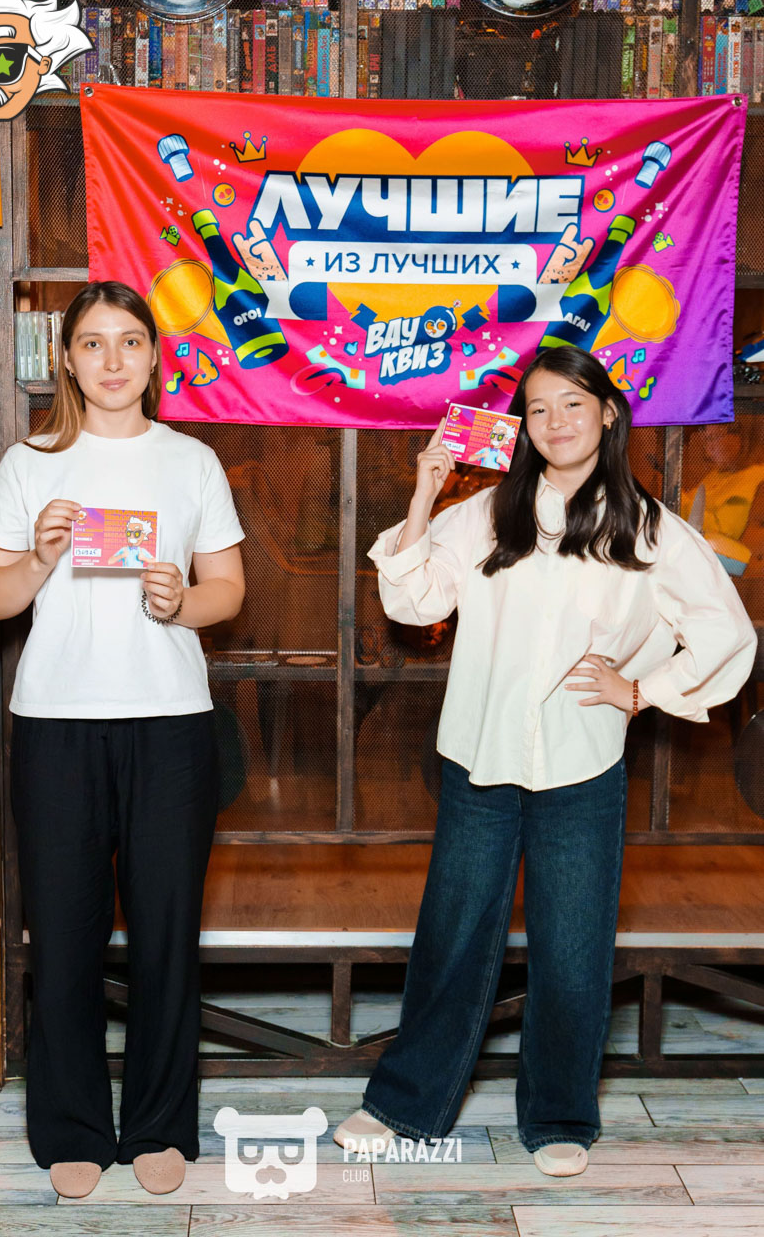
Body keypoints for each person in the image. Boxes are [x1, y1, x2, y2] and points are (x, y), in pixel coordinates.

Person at [334, 344, 756, 1177]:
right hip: (477, 760)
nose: (555, 421)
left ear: (607, 412)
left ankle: (559, 1115)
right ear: (521, 426)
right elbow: (412, 600)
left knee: (571, 948)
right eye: (537, 408)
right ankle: (402, 1104)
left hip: (580, 766)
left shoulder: (648, 528)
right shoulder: (487, 512)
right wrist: (423, 493)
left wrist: (641, 691)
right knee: (452, 938)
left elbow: (726, 634)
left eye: (572, 403)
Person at [0, 281, 245, 1200]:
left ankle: (161, 1124)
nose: (113, 360)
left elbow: (227, 591)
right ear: (68, 359)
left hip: (170, 724)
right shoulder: (29, 463)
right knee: (64, 936)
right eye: (93, 343)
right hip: (55, 723)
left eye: (130, 341)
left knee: (167, 930)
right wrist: (40, 557)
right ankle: (73, 1125)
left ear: (154, 357)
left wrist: (181, 601)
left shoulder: (191, 461)